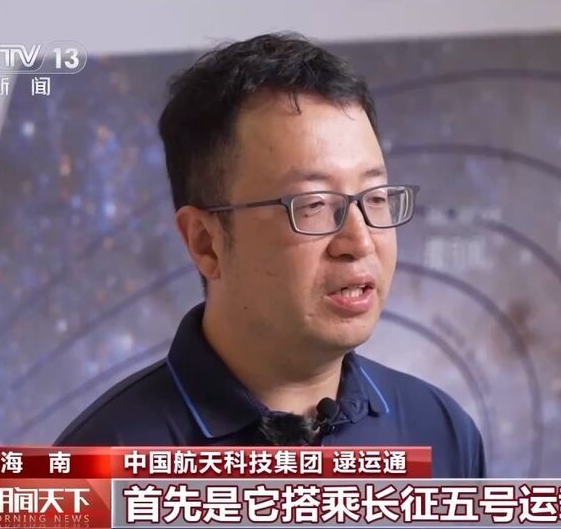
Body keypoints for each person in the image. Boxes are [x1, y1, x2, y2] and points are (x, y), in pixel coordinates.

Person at [55, 32, 485, 478]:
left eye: (375, 197)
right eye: (313, 205)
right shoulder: (94, 469)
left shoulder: (441, 433)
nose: (360, 241)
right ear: (205, 242)